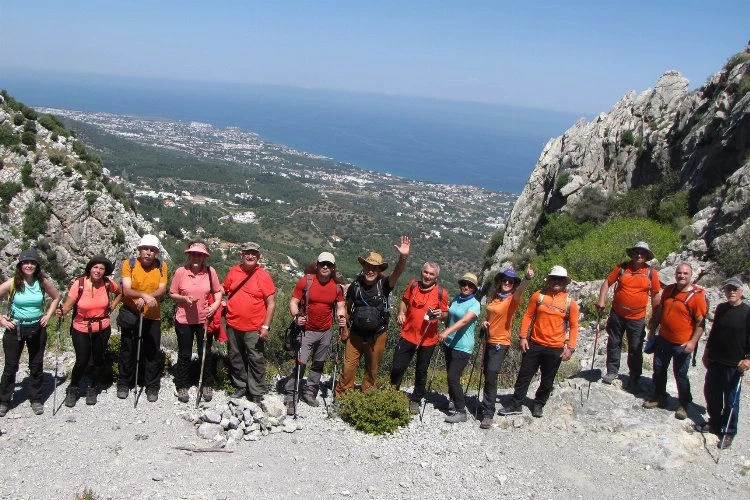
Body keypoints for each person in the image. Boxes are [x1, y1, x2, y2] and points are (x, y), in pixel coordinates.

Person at [335, 236, 411, 399]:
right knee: (348, 366)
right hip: (355, 333)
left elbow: (397, 273)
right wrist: (343, 329)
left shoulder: (384, 285)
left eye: (374, 268)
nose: (370, 270)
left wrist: (403, 257)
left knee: (372, 368)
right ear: (363, 267)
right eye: (368, 267)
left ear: (379, 271)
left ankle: (367, 396)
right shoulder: (355, 285)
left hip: (377, 334)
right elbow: (347, 310)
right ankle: (342, 396)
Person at [499, 265, 579, 418]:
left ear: (565, 282)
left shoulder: (570, 303)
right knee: (524, 375)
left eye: (560, 279)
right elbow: (528, 316)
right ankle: (516, 404)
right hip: (534, 343)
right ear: (549, 280)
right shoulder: (539, 296)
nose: (557, 282)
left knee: (547, 379)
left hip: (555, 347)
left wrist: (570, 348)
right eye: (554, 278)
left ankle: (539, 404)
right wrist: (523, 337)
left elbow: (575, 326)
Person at [283, 251, 346, 415]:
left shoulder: (337, 287)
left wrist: (341, 318)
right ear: (317, 265)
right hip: (306, 330)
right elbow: (294, 302)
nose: (325, 267)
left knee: (318, 364)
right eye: (323, 264)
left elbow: (340, 307)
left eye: (329, 265)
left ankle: (309, 392)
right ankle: (291, 395)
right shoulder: (306, 281)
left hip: (325, 331)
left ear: (333, 268)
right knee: (301, 362)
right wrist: (297, 317)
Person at [643, 263, 708, 420]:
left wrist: (692, 342)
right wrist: (652, 330)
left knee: (680, 374)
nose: (682, 276)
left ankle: (684, 404)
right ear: (675, 274)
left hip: (682, 344)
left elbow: (701, 324)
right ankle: (659, 396)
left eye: (685, 273)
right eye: (679, 273)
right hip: (664, 339)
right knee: (659, 369)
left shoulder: (697, 297)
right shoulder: (669, 290)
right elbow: (660, 311)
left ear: (691, 275)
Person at [0, 248, 60, 416]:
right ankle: (4, 400)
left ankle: (36, 399)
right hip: (15, 328)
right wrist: (2, 320)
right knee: (11, 366)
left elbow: (56, 296)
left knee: (36, 365)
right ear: (20, 265)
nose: (29, 265)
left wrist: (48, 315)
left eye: (32, 262)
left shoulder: (42, 282)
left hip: (37, 327)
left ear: (36, 266)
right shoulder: (13, 282)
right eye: (26, 262)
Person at [596, 241, 662, 390]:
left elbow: (655, 295)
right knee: (614, 342)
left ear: (646, 256)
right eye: (637, 252)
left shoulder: (651, 273)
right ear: (632, 254)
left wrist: (655, 316)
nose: (639, 255)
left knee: (635, 347)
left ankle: (635, 376)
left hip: (637, 317)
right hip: (617, 314)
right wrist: (601, 301)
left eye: (642, 253)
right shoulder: (622, 268)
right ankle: (612, 371)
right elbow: (607, 283)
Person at [57, 256, 122, 407]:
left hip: (102, 327)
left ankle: (92, 387)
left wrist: (112, 305)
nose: (98, 271)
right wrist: (61, 312)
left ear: (105, 271)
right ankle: (73, 388)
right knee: (82, 360)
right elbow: (67, 306)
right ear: (90, 268)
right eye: (95, 267)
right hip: (81, 327)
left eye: (101, 268)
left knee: (97, 359)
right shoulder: (79, 284)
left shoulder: (107, 283)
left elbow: (120, 292)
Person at [478, 266, 534, 429]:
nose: (507, 282)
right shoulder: (495, 299)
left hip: (500, 343)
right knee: (487, 373)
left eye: (511, 281)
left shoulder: (512, 299)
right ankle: (486, 405)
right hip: (488, 341)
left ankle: (488, 413)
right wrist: (484, 324)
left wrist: (527, 279)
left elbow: (520, 290)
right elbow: (490, 317)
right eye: (505, 280)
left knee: (491, 372)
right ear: (500, 281)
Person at [389, 261, 449, 414]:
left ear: (436, 277)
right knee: (397, 366)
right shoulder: (413, 285)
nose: (427, 276)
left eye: (431, 274)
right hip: (408, 334)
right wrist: (401, 313)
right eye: (426, 272)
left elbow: (445, 315)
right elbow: (404, 301)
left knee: (421, 371)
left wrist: (440, 315)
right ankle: (392, 393)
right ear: (422, 272)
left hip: (428, 340)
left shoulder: (442, 293)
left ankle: (415, 400)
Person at [699, 277, 750, 449]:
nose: (732, 292)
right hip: (715, 360)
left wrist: (748, 359)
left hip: (734, 364)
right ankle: (714, 423)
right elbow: (713, 332)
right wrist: (706, 352)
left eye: (735, 289)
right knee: (711, 393)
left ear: (741, 291)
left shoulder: (747, 312)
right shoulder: (721, 308)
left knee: (731, 400)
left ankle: (728, 432)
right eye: (728, 289)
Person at [169, 241, 222, 404]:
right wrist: (184, 298)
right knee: (184, 353)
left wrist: (214, 305)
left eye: (199, 254)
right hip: (184, 319)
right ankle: (182, 384)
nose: (196, 257)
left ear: (204, 257)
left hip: (203, 320)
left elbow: (218, 291)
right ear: (188, 255)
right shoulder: (180, 272)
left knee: (204, 352)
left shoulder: (210, 272)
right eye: (193, 254)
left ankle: (206, 383)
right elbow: (172, 293)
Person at [222, 242, 276, 403]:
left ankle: (256, 391)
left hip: (254, 327)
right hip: (233, 324)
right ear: (242, 255)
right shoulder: (234, 271)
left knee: (255, 359)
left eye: (254, 253)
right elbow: (225, 290)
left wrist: (265, 326)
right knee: (235, 356)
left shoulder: (263, 276)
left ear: (259, 257)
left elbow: (271, 303)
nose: (250, 256)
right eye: (247, 253)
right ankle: (241, 386)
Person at [117, 234, 169, 402]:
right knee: (128, 349)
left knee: (152, 351)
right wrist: (144, 297)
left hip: (152, 316)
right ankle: (125, 383)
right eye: (145, 249)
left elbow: (162, 289)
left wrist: (146, 297)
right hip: (131, 313)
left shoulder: (162, 266)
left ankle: (151, 385)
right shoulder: (129, 264)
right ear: (139, 250)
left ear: (156, 253)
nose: (148, 253)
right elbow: (126, 289)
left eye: (152, 250)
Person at [438, 273, 481, 423]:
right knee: (450, 375)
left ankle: (461, 411)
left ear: (474, 289)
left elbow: (464, 321)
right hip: (449, 343)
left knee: (453, 376)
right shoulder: (456, 299)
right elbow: (449, 317)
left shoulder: (475, 304)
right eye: (464, 284)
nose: (466, 287)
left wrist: (446, 331)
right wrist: (440, 316)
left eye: (470, 285)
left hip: (463, 346)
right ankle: (453, 400)